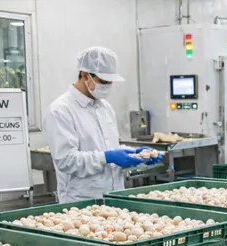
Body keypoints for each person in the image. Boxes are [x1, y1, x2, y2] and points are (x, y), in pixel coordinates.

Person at [44, 46, 161, 202]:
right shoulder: (61, 111)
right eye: (103, 81)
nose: (107, 86)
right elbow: (66, 161)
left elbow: (109, 148)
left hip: (115, 196)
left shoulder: (104, 107)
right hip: (81, 202)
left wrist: (135, 155)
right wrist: (107, 157)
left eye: (110, 81)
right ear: (85, 75)